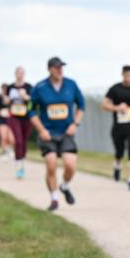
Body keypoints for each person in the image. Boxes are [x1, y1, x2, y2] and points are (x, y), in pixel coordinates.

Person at [29, 57, 85, 212]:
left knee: (70, 165)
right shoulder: (40, 87)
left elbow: (81, 105)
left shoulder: (71, 85)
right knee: (51, 164)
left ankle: (65, 186)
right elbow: (30, 110)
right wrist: (41, 130)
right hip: (48, 133)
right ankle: (54, 199)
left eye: (61, 67)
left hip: (66, 132)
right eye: (56, 67)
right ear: (49, 69)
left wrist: (75, 124)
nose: (60, 70)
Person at [102, 65, 130, 191]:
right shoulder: (115, 89)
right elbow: (104, 104)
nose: (128, 78)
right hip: (118, 127)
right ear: (122, 75)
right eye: (126, 75)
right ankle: (117, 166)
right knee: (119, 152)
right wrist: (117, 108)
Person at [7, 67, 33, 179]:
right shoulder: (10, 87)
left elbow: (32, 100)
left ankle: (22, 161)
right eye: (18, 73)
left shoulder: (28, 87)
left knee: (24, 141)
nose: (20, 75)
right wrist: (7, 100)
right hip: (14, 116)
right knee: (18, 141)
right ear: (15, 74)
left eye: (22, 73)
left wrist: (25, 96)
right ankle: (18, 165)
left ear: (24, 74)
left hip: (26, 117)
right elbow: (6, 101)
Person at [0, 83, 15, 159]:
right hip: (1, 119)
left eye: (6, 89)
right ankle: (4, 152)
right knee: (3, 136)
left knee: (11, 138)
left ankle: (10, 149)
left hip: (11, 119)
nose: (5, 90)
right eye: (3, 89)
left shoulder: (12, 98)